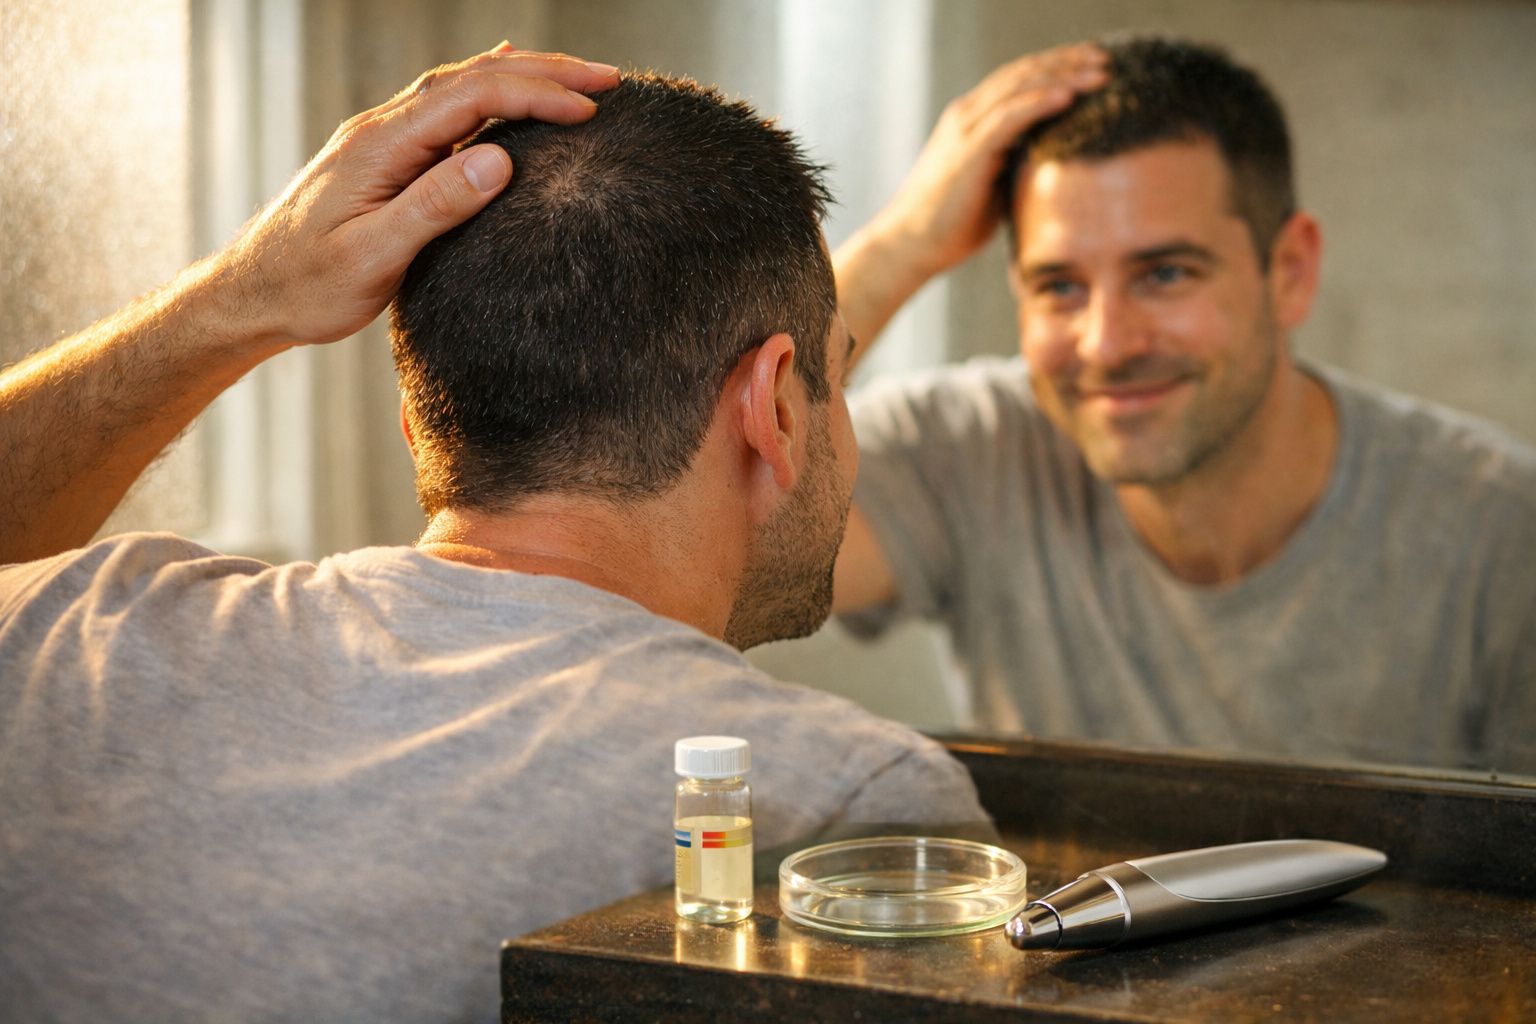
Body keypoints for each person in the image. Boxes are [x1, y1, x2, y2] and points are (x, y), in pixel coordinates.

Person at [0, 48, 985, 1023]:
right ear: (774, 404)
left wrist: (234, 299)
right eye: (836, 381)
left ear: (417, 420)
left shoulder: (61, 633)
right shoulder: (834, 809)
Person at [831, 36, 1536, 773]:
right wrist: (900, 246)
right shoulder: (968, 450)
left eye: (1165, 273)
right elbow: (709, 523)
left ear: (1290, 271)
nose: (1106, 344)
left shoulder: (1500, 533)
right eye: (1060, 287)